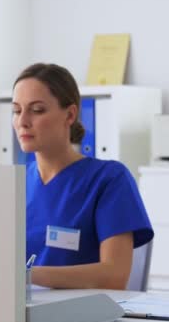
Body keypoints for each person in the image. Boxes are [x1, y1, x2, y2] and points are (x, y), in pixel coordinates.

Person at [13, 63, 153, 290]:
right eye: (17, 110)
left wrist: (28, 275)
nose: (22, 121)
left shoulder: (109, 179)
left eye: (37, 110)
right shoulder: (14, 183)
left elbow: (114, 276)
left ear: (70, 114)